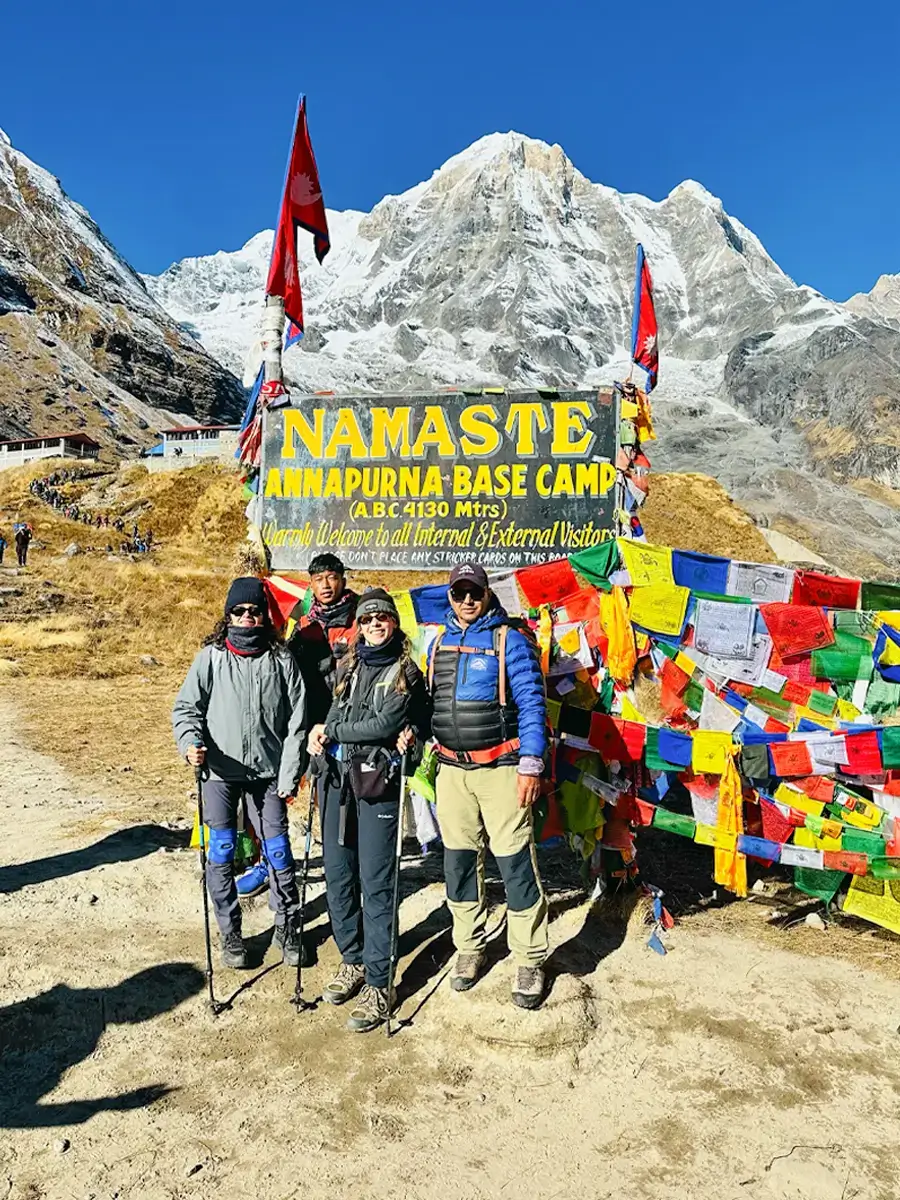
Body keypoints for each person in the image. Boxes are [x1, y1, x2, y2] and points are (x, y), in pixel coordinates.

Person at [425, 561, 549, 1010]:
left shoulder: (508, 641)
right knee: (458, 864)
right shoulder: (437, 643)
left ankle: (530, 957)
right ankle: (470, 946)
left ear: (487, 594)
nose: (467, 600)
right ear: (450, 596)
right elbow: (429, 703)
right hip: (451, 772)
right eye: (459, 593)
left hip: (502, 769)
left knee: (515, 864)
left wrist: (531, 765)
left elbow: (534, 704)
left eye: (474, 592)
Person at [307, 588, 430, 1032]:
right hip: (338, 781)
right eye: (367, 618)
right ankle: (352, 959)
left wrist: (333, 727)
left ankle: (381, 981)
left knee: (377, 883)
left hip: (377, 785)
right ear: (358, 626)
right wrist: (317, 736)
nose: (375, 624)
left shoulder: (406, 672)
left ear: (395, 624)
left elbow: (386, 724)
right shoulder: (349, 666)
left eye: (383, 617)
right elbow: (334, 712)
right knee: (340, 875)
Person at [171, 577, 308, 970]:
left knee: (279, 850)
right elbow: (186, 710)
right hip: (219, 774)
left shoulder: (282, 660)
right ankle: (231, 934)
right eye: (240, 611)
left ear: (265, 616)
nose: (248, 618)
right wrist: (190, 745)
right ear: (228, 615)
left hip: (268, 775)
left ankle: (287, 925)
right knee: (222, 851)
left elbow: (297, 723)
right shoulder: (210, 658)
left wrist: (288, 775)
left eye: (255, 611)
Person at [236, 553, 360, 900]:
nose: (325, 584)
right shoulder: (303, 623)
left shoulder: (361, 619)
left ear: (342, 579)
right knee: (276, 795)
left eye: (332, 577)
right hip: (301, 724)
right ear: (311, 583)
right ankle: (267, 861)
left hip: (346, 725)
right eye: (318, 578)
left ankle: (349, 867)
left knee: (338, 801)